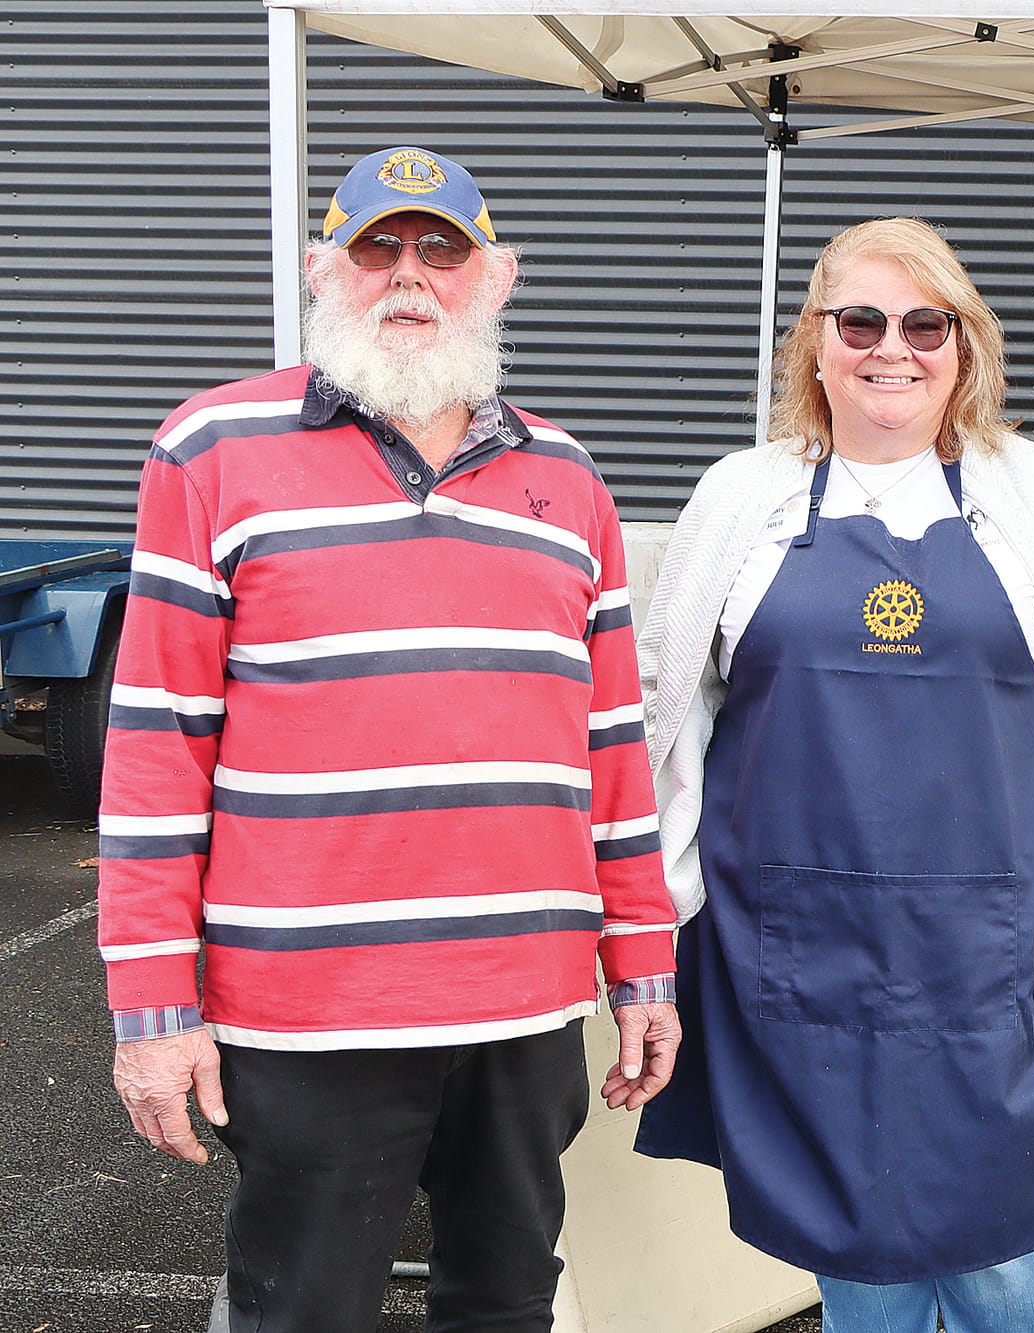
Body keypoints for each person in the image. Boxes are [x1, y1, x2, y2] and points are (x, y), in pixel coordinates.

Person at [96, 146, 682, 1331]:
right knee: (301, 1310)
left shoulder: (566, 479)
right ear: (325, 270)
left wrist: (643, 965)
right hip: (308, 1007)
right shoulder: (211, 450)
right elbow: (156, 747)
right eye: (376, 248)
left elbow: (612, 748)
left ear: (496, 277)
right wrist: (154, 1014)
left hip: (523, 1005)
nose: (407, 275)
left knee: (507, 1302)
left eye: (440, 249)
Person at [630, 216, 1034, 1333]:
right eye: (860, 321)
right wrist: (669, 894)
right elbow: (664, 707)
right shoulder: (742, 496)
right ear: (814, 345)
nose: (893, 348)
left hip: (988, 948)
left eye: (925, 324)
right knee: (855, 1249)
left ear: (963, 347)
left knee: (1000, 1251)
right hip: (794, 945)